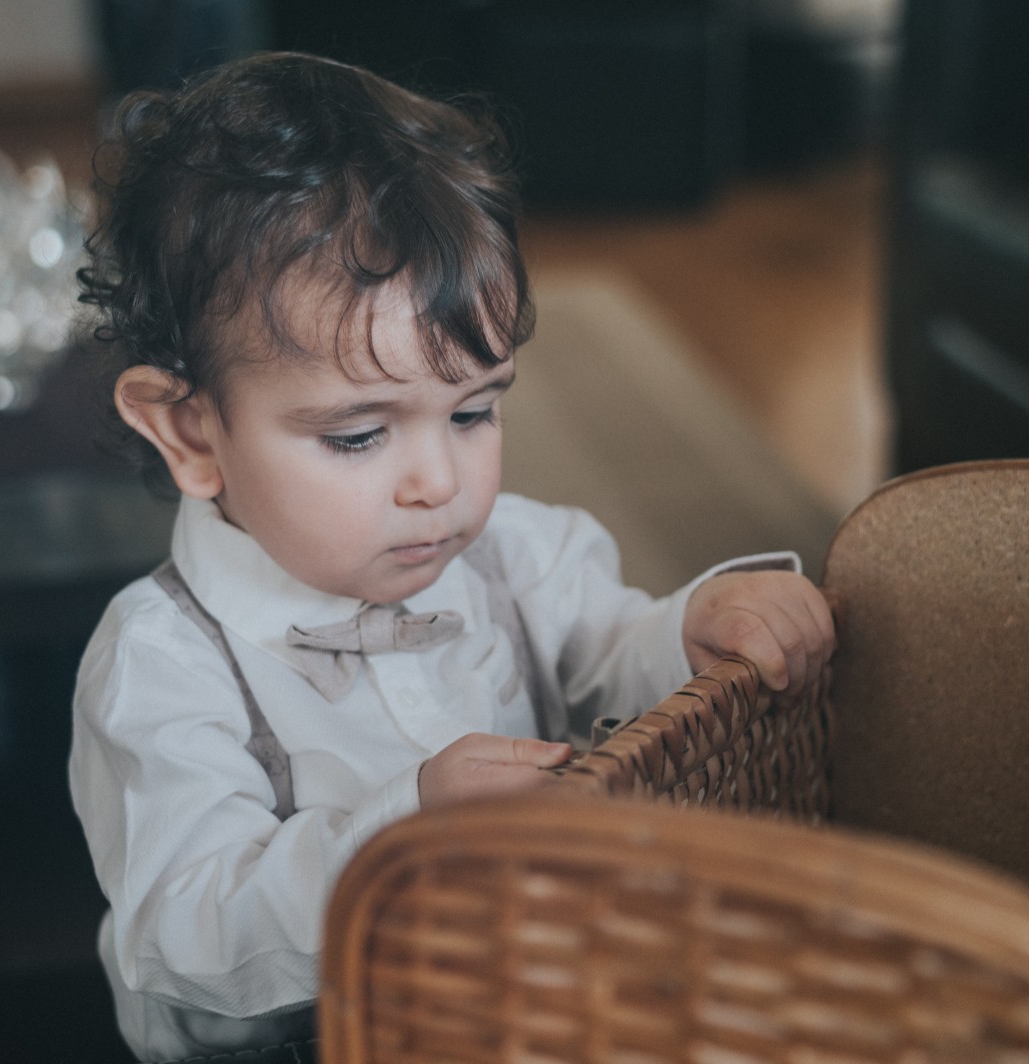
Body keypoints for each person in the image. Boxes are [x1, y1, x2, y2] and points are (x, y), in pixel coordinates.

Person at [69, 51, 836, 1062]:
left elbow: (611, 655)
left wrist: (690, 625)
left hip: (526, 1003)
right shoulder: (161, 661)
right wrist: (404, 834)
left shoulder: (516, 550)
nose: (438, 480)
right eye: (358, 435)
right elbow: (184, 937)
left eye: (473, 409)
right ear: (192, 434)